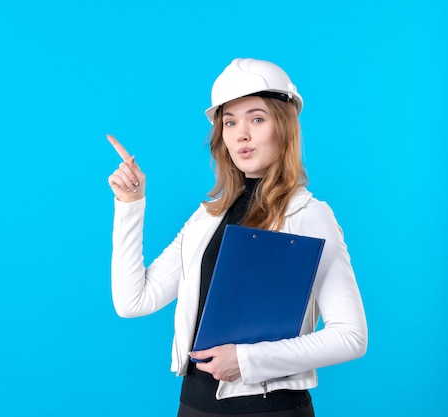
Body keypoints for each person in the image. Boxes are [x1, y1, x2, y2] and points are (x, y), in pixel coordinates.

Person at [107, 58, 367, 417]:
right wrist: (130, 205)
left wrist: (247, 360)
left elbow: (351, 336)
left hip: (272, 411)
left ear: (284, 127)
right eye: (230, 122)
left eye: (257, 119)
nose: (241, 134)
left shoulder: (308, 215)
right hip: (194, 407)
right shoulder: (206, 217)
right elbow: (133, 301)